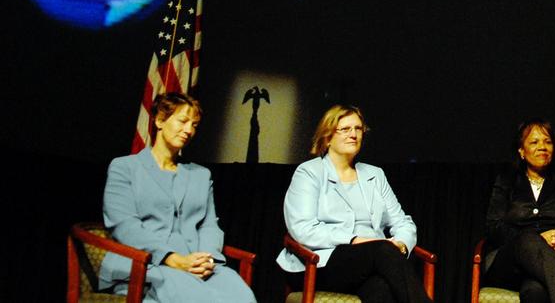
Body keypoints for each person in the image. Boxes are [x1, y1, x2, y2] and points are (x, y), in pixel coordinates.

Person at [100, 92, 256, 303]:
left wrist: (206, 259)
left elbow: (209, 225)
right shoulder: (125, 167)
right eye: (183, 121)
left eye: (194, 125)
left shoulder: (201, 175)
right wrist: (172, 258)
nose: (189, 130)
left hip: (196, 266)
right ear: (159, 120)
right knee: (194, 296)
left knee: (241, 294)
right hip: (144, 265)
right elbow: (124, 225)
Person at [276, 105, 429, 303]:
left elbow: (403, 222)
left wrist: (400, 245)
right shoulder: (309, 173)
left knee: (381, 289)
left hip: (373, 264)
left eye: (358, 129)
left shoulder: (375, 175)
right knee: (382, 250)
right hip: (319, 263)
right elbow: (303, 229)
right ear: (328, 137)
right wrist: (355, 240)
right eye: (345, 129)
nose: (354, 135)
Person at [483, 119, 555, 303]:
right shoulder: (507, 181)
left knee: (535, 291)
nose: (542, 147)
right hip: (510, 265)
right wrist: (539, 240)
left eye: (548, 142)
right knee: (527, 240)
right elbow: (493, 226)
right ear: (521, 151)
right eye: (534, 142)